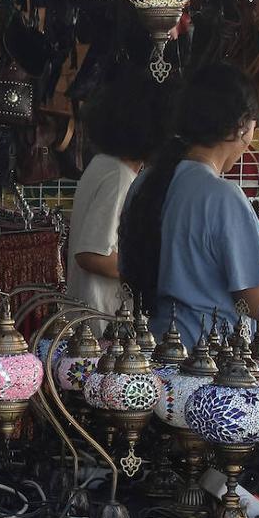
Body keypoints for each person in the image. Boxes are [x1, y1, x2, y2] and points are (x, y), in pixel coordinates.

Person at [120, 62, 259, 345]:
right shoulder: (223, 197)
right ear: (242, 126)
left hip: (146, 350)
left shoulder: (144, 183)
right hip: (206, 363)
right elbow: (258, 305)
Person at [67, 69, 166, 328]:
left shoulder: (102, 165)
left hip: (92, 322)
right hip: (103, 327)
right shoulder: (118, 176)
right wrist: (149, 274)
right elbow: (91, 254)